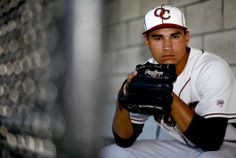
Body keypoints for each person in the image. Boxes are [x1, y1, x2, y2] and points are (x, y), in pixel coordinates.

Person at [100, 4, 236, 158]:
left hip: (226, 146)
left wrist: (168, 97)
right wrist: (122, 101)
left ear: (187, 37)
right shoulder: (148, 72)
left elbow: (212, 142)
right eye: (158, 38)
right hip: (184, 146)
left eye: (175, 36)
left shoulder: (211, 68)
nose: (167, 46)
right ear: (147, 41)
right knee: (111, 153)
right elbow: (124, 140)